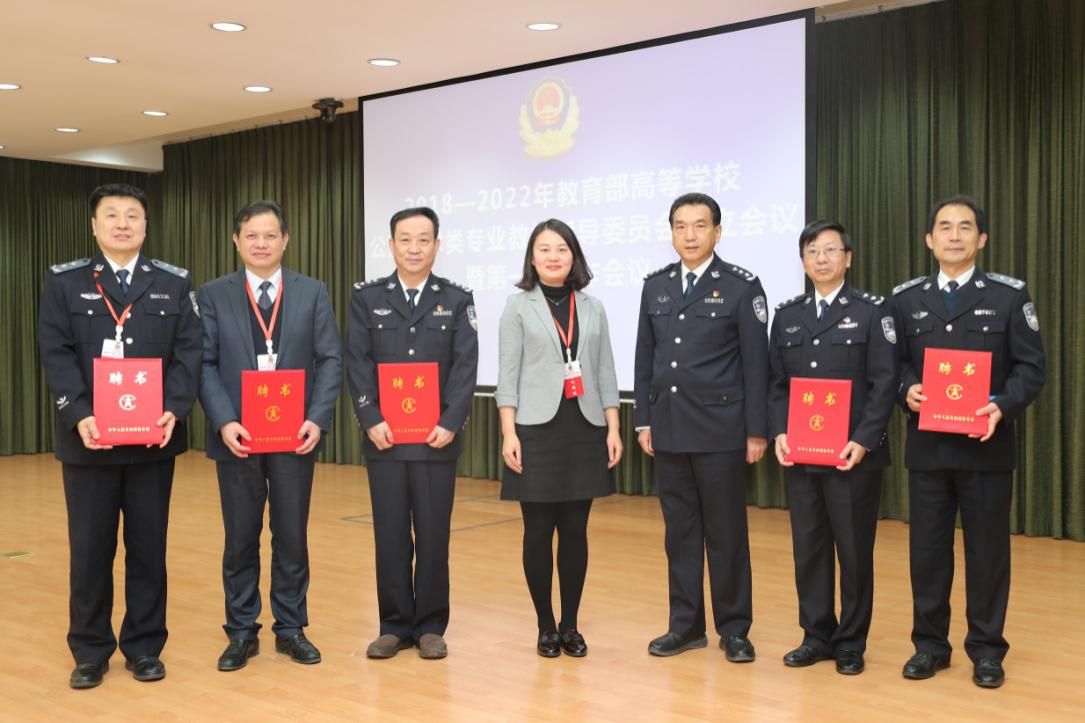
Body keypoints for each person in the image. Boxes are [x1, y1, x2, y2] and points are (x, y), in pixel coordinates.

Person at [37, 183, 202, 689]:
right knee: (90, 551)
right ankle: (90, 651)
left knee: (148, 549)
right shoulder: (64, 282)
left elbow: (189, 352)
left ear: (146, 226)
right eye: (112, 215)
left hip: (153, 441)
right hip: (89, 442)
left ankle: (145, 647)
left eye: (132, 215)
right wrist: (77, 412)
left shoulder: (173, 283)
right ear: (94, 226)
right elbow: (55, 352)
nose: (123, 223)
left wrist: (175, 408)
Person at [890, 196, 1045, 688]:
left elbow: (1031, 368)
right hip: (929, 449)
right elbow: (893, 364)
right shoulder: (906, 299)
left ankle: (987, 650)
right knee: (927, 553)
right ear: (929, 240)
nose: (954, 236)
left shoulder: (1009, 296)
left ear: (982, 239)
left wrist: (1003, 405)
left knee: (987, 554)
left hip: (986, 448)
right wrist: (905, 389)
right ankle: (930, 646)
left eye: (964, 227)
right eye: (944, 227)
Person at [197, 201, 342, 671]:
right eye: (252, 235)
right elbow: (204, 363)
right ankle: (241, 631)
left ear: (286, 240)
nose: (261, 243)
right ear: (236, 241)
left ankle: (291, 628)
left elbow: (330, 359)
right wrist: (224, 420)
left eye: (270, 235)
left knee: (292, 535)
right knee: (240, 538)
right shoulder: (213, 294)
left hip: (294, 436)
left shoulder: (312, 292)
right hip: (238, 437)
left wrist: (317, 418)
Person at [633, 192, 769, 660]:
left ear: (717, 231)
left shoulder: (741, 286)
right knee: (681, 533)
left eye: (699, 225)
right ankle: (686, 625)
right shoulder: (656, 286)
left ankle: (734, 629)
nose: (689, 235)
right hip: (669, 428)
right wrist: (644, 420)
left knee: (726, 534)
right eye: (680, 226)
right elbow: (646, 358)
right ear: (671, 232)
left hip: (720, 431)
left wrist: (756, 431)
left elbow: (756, 363)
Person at [347, 207, 479, 660]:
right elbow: (358, 361)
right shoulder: (367, 298)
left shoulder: (457, 299)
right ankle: (394, 625)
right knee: (389, 535)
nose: (415, 248)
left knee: (433, 535)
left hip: (435, 441)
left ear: (437, 245)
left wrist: (450, 421)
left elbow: (465, 365)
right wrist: (370, 417)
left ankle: (430, 627)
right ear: (391, 245)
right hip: (384, 439)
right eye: (405, 239)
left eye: (424, 239)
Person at [768, 220, 898, 675]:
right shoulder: (788, 315)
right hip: (802, 455)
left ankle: (851, 642)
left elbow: (885, 383)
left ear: (848, 257)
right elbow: (777, 384)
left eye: (830, 250)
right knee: (809, 548)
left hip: (852, 457)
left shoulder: (872, 312)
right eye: (812, 252)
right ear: (802, 261)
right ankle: (816, 635)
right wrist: (779, 431)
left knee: (854, 551)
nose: (821, 259)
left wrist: (864, 439)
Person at [496, 219, 622, 658]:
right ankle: (545, 625)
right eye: (544, 249)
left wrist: (613, 427)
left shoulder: (593, 307)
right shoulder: (517, 307)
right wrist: (508, 433)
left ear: (574, 256)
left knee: (575, 531)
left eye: (562, 249)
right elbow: (507, 375)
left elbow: (605, 370)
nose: (553, 256)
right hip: (534, 430)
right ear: (532, 258)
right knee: (537, 531)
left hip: (584, 428)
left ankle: (570, 624)